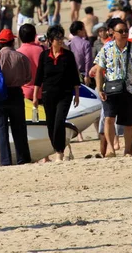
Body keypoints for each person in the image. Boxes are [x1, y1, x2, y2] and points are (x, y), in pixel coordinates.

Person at [94, 18, 132, 157]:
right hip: (110, 89)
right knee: (109, 118)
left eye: (126, 30)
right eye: (121, 31)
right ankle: (111, 148)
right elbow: (99, 70)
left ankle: (127, 149)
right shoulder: (106, 49)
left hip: (130, 89)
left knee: (128, 121)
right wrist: (99, 88)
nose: (124, 33)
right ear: (113, 33)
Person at [33, 25, 81, 161]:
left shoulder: (68, 56)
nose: (60, 41)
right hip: (48, 94)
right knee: (51, 123)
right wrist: (35, 96)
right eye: (57, 38)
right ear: (50, 40)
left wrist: (77, 94)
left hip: (65, 94)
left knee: (59, 121)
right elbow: (39, 77)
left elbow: (74, 76)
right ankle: (56, 147)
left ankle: (59, 152)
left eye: (61, 38)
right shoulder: (43, 56)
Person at [0, 29, 32, 165]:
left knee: (2, 131)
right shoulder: (21, 57)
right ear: (13, 41)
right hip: (16, 95)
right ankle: (23, 158)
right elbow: (27, 78)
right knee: (19, 129)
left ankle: (6, 160)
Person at [69, 21, 93, 86]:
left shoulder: (69, 44)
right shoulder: (86, 43)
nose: (85, 30)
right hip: (84, 74)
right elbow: (88, 61)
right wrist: (87, 75)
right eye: (83, 28)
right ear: (79, 31)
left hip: (73, 74)